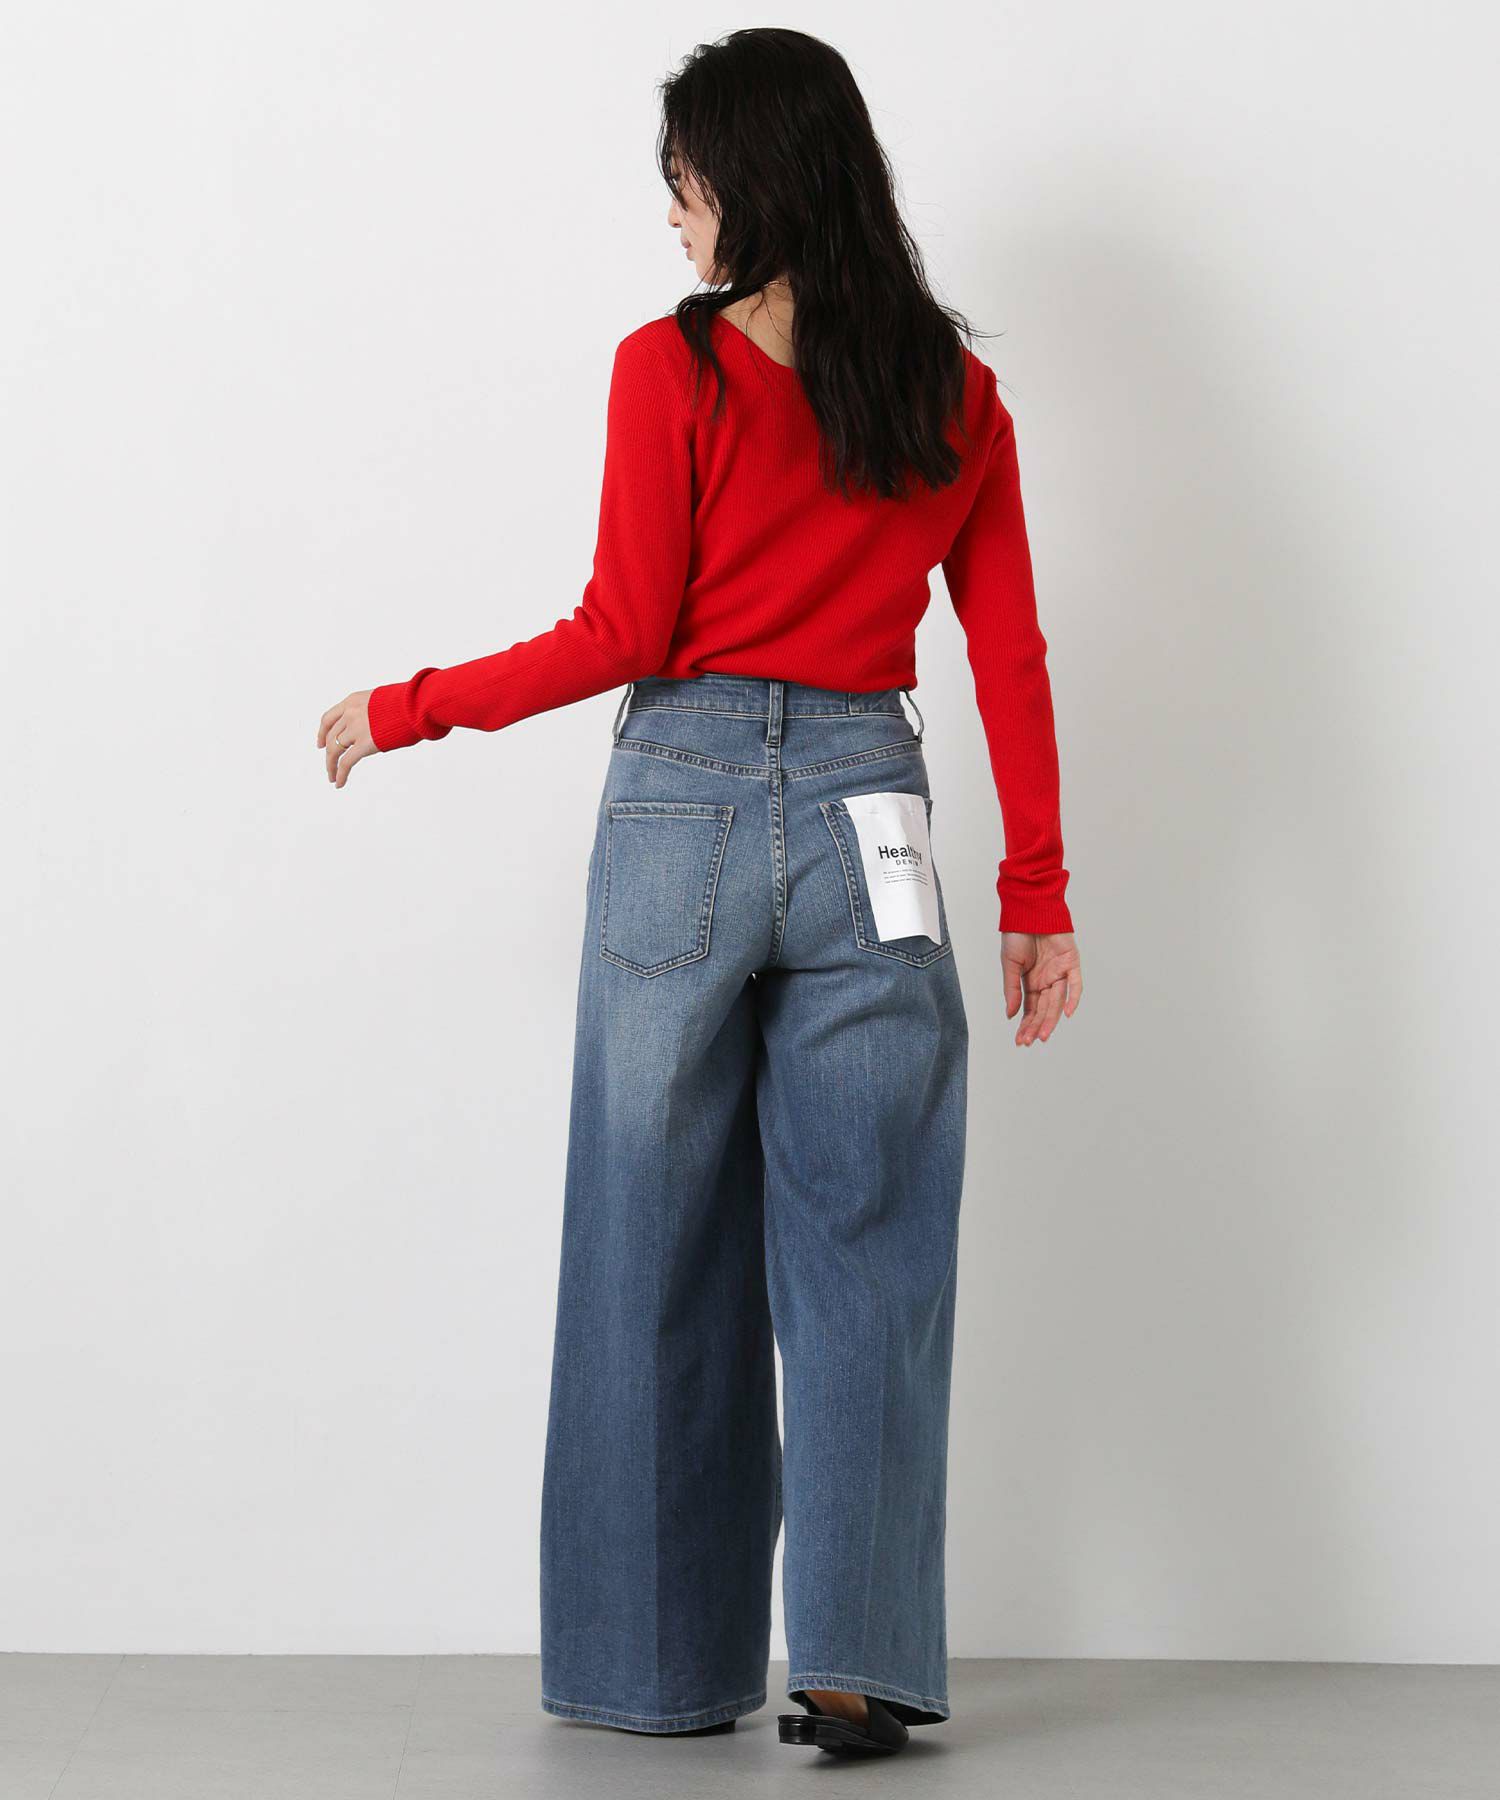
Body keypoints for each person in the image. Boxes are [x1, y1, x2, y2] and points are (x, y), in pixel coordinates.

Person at [317, 26, 1082, 1763]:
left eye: (686, 180)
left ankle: (654, 1671)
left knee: (647, 1243)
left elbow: (623, 631)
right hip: (876, 814)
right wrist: (1035, 890)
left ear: (754, 176)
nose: (673, 215)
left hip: (685, 803)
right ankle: (860, 1667)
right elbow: (1009, 651)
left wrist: (411, 705)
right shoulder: (953, 396)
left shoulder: (672, 371)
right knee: (873, 1245)